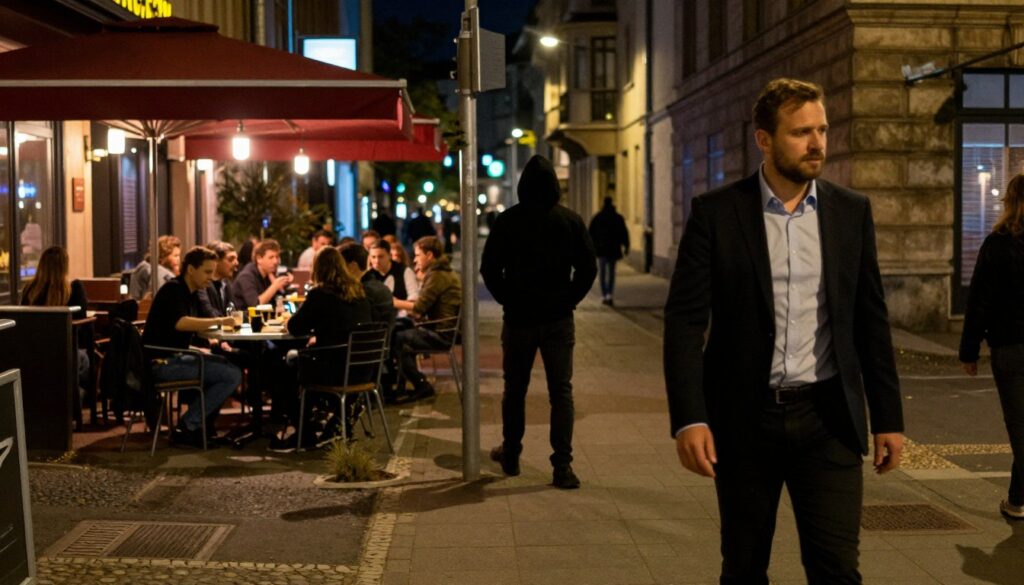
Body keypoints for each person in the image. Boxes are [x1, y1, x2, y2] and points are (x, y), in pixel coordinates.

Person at [664, 78, 904, 584]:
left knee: (837, 569)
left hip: (828, 418)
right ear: (765, 140)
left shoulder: (850, 210)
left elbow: (870, 319)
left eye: (821, 129)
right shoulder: (718, 213)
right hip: (746, 420)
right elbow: (685, 322)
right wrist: (690, 418)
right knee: (746, 567)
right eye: (801, 133)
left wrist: (888, 417)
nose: (817, 143)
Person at [480, 154, 598, 490]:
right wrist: (568, 299)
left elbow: (490, 269)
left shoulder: (507, 221)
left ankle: (512, 454)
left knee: (514, 390)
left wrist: (508, 297)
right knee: (561, 392)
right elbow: (588, 269)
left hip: (519, 319)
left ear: (522, 187)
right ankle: (562, 466)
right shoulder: (570, 221)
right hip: (558, 320)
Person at [960, 173, 1024, 521]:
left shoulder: (997, 244)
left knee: (1019, 424)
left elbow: (979, 301)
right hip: (1010, 344)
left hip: (1010, 347)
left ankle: (1018, 499)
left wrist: (969, 351)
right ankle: (1017, 499)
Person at [142, 246, 241, 448]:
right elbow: (181, 323)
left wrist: (212, 338)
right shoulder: (174, 289)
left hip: (175, 357)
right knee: (231, 375)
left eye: (212, 272)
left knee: (225, 363)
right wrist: (221, 322)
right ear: (190, 270)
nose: (210, 277)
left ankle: (201, 428)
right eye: (206, 272)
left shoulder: (192, 292)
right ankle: (187, 427)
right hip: (161, 363)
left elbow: (197, 324)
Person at [393, 236, 461, 401]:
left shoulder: (438, 275)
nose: (415, 259)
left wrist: (393, 302)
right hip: (442, 329)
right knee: (400, 329)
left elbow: (419, 308)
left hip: (441, 333)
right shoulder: (441, 272)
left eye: (418, 255)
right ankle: (403, 386)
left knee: (396, 339)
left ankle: (420, 385)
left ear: (429, 255)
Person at [21, 246, 92, 396]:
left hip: (35, 353)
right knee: (86, 361)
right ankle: (75, 397)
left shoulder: (30, 289)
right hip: (66, 352)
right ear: (65, 267)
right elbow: (83, 324)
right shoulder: (73, 289)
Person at [339, 242, 396, 331]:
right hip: (384, 343)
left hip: (363, 343)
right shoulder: (380, 286)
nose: (338, 271)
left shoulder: (360, 291)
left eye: (340, 266)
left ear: (352, 266)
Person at [588, 196, 630, 306]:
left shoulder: (598, 217)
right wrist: (626, 246)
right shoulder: (617, 217)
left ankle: (604, 294)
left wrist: (592, 247)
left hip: (601, 250)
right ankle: (609, 294)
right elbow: (624, 233)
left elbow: (590, 234)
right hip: (613, 249)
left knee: (602, 273)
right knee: (611, 272)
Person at [232, 239, 293, 310]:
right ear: (259, 259)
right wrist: (275, 285)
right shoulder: (246, 276)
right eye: (271, 257)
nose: (275, 261)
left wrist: (283, 285)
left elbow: (278, 301)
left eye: (277, 257)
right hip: (244, 319)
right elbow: (255, 305)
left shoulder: (268, 274)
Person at [128, 234, 181, 300]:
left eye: (179, 255)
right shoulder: (159, 273)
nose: (178, 259)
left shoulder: (146, 268)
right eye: (175, 256)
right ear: (163, 256)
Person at [369, 240, 419, 307]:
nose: (377, 261)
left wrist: (395, 302)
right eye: (373, 257)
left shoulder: (405, 271)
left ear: (389, 255)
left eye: (381, 257)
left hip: (402, 315)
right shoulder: (369, 275)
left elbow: (414, 302)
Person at [197, 240, 238, 318]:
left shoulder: (226, 283)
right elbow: (209, 313)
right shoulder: (202, 284)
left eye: (236, 259)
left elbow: (235, 312)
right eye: (231, 259)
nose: (236, 263)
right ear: (216, 261)